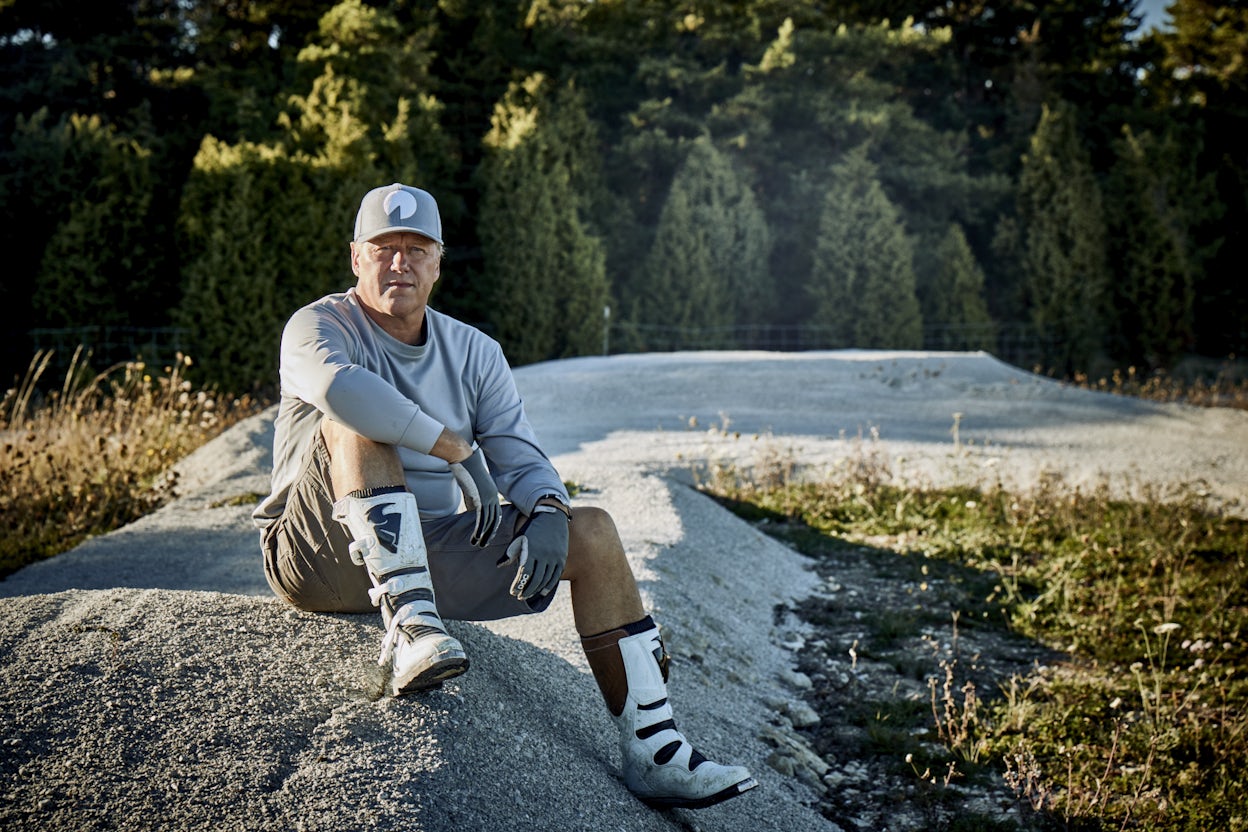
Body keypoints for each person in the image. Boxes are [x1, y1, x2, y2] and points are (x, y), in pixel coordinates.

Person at [252, 183, 758, 810]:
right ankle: (411, 632)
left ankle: (655, 751)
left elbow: (519, 453)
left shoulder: (474, 351)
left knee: (593, 531)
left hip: (422, 552)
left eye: (417, 249)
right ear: (356, 257)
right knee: (355, 422)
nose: (400, 263)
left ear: (439, 262)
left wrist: (548, 508)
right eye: (384, 248)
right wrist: (455, 448)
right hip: (316, 551)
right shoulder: (318, 325)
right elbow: (343, 388)